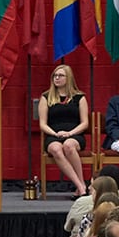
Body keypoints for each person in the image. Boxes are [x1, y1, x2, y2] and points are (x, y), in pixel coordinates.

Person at [40, 65, 92, 198]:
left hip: (75, 134)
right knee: (57, 149)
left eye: (60, 76)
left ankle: (80, 185)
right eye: (55, 76)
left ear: (68, 78)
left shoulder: (79, 97)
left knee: (68, 146)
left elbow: (85, 123)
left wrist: (70, 133)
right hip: (53, 134)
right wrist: (54, 133)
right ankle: (81, 186)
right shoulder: (46, 97)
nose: (56, 78)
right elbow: (43, 124)